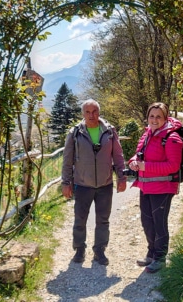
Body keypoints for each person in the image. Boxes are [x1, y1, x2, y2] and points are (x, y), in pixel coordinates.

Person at [61, 99, 127, 266]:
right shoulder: (75, 133)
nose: (91, 115)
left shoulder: (109, 131)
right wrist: (66, 182)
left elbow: (118, 156)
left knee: (103, 220)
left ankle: (99, 250)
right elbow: (67, 160)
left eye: (95, 111)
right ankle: (79, 249)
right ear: (83, 114)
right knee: (80, 219)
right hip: (82, 184)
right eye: (88, 112)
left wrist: (121, 177)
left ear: (99, 112)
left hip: (105, 184)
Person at [128, 102, 183, 273]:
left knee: (159, 223)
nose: (154, 119)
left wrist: (146, 167)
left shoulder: (172, 138)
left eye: (158, 116)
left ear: (165, 118)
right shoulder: (147, 134)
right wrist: (133, 162)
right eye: (152, 116)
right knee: (147, 222)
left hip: (163, 187)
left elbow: (173, 166)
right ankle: (151, 253)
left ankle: (160, 258)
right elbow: (138, 154)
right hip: (146, 186)